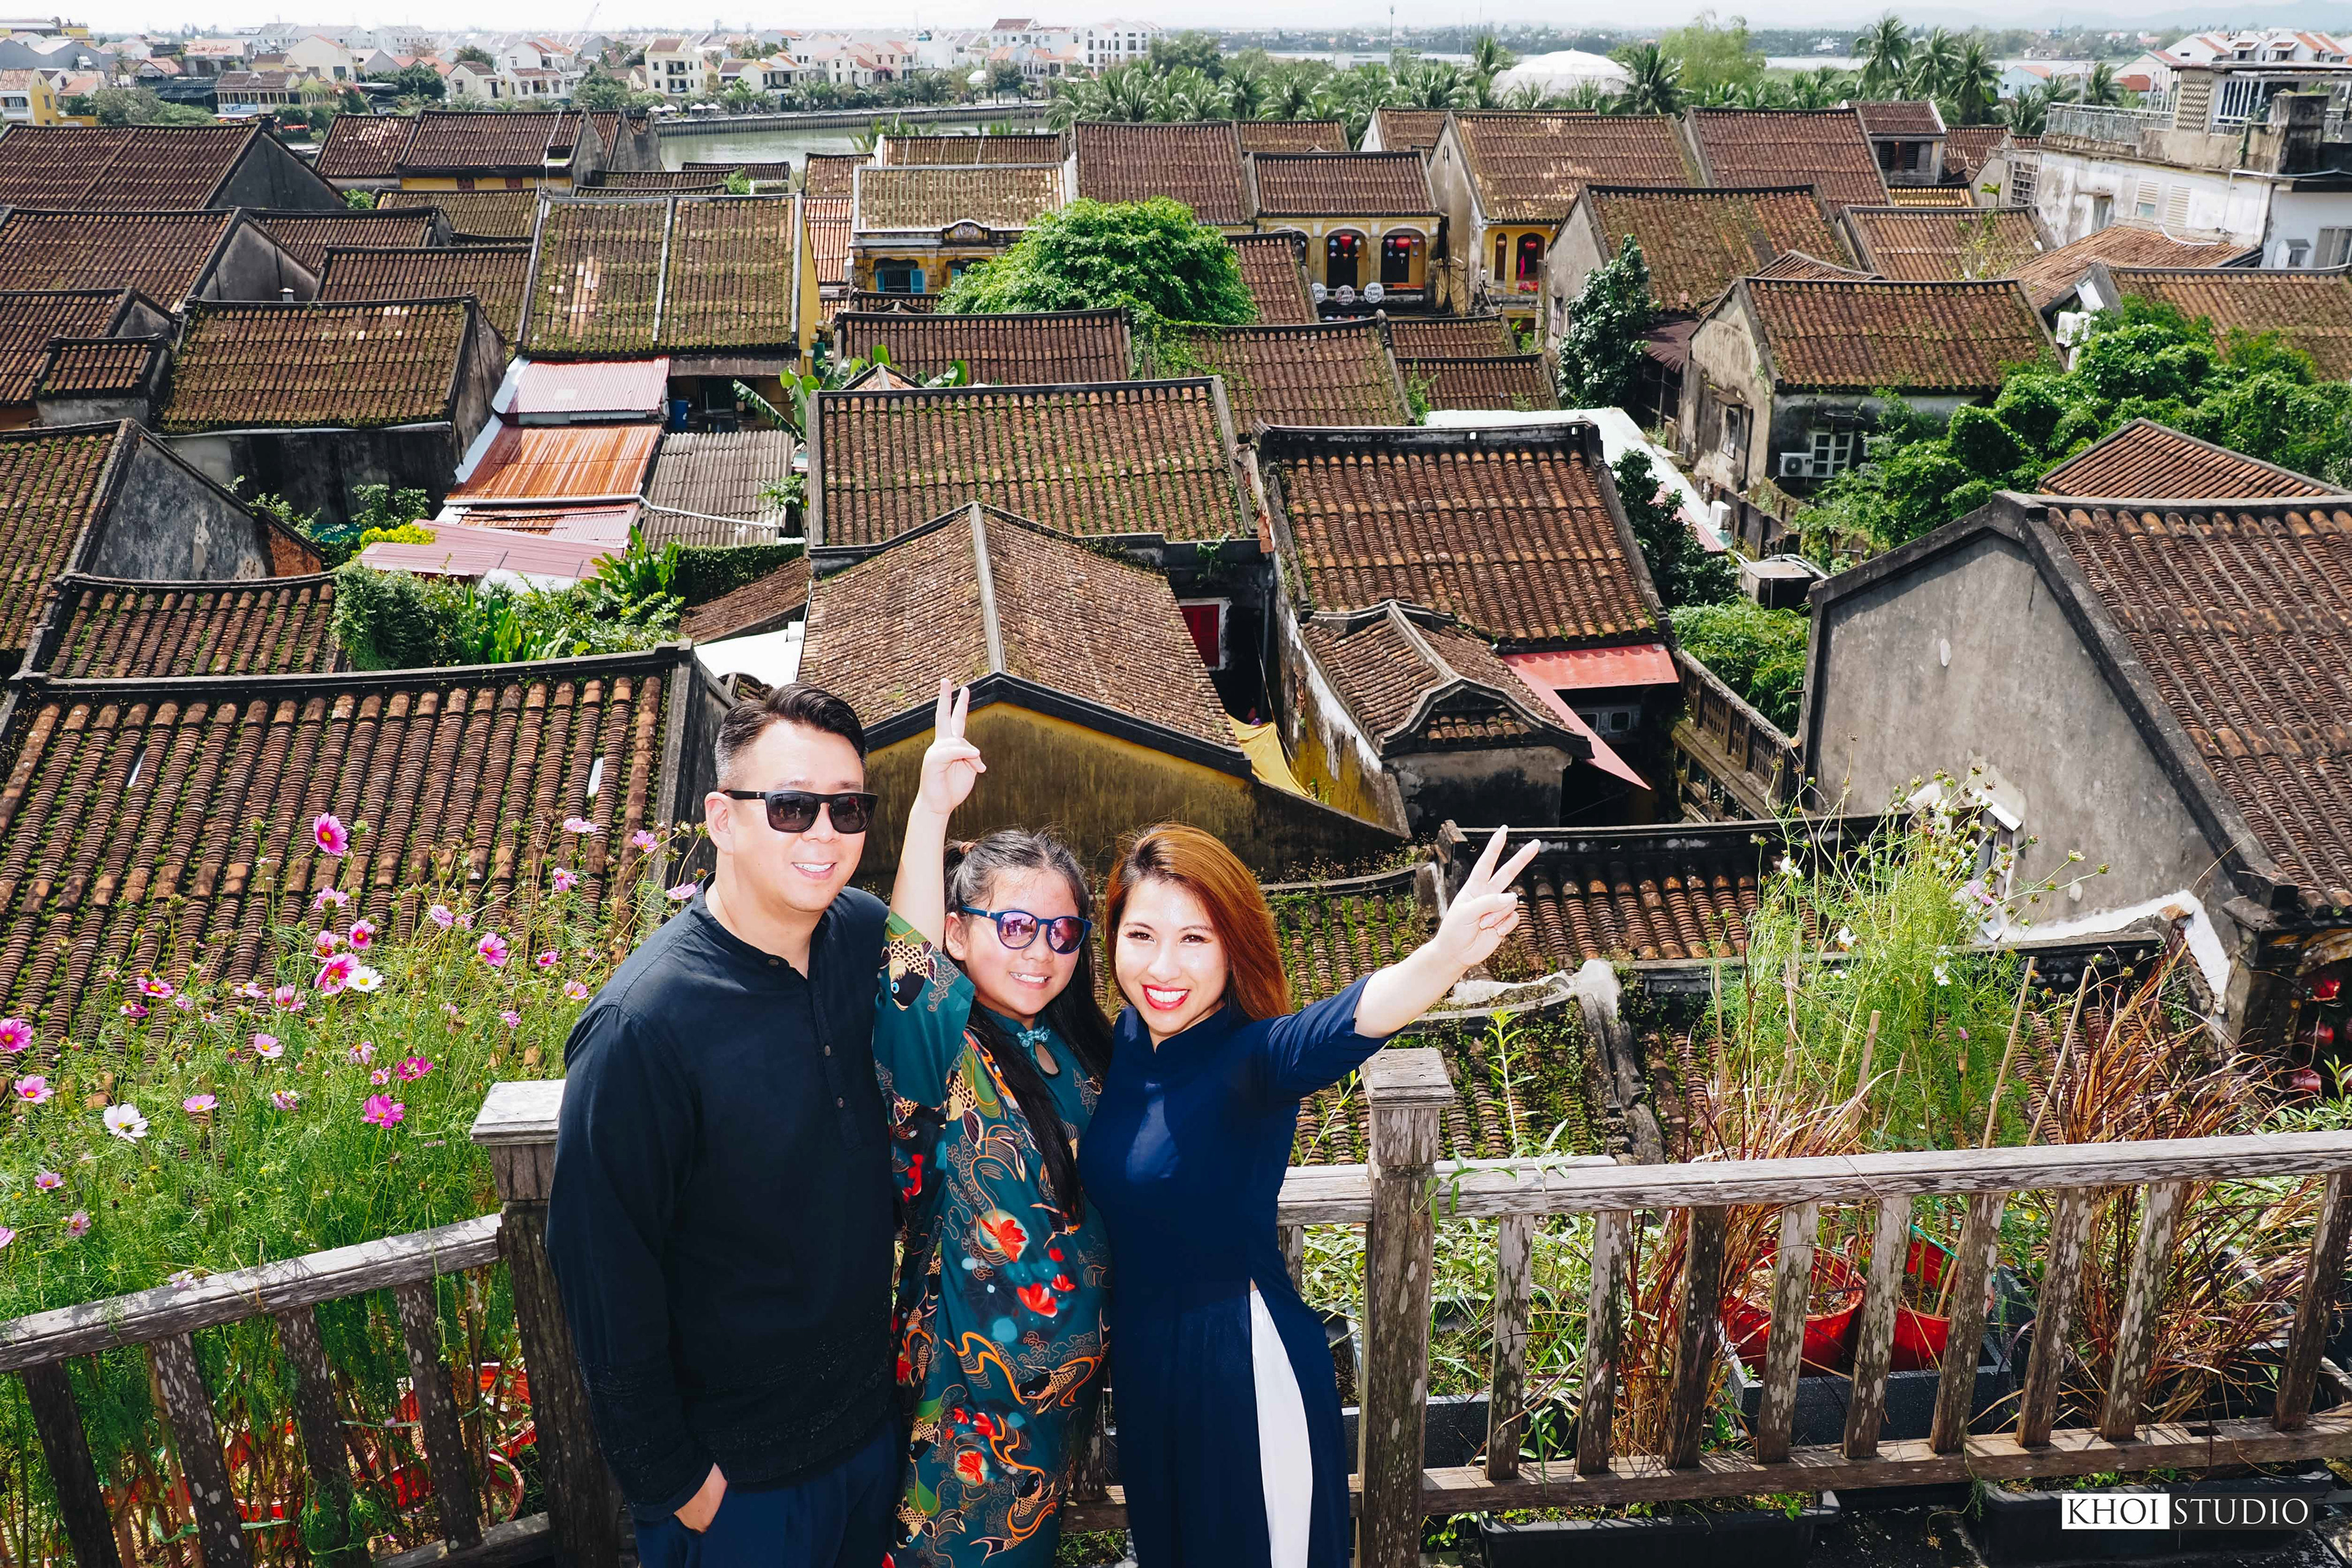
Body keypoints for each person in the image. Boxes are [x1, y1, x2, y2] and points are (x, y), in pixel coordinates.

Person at [1077, 823, 1539, 1568]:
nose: (1165, 966)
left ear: (1233, 945)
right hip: (1146, 1372)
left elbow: (1352, 1018)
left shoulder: (1253, 1057)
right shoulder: (1127, 1041)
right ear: (1113, 940)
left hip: (1239, 1365)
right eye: (1142, 935)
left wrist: (1444, 955)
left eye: (1196, 939)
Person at [547, 682, 900, 1568]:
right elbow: (601, 1267)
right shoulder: (643, 1027)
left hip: (866, 1440)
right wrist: (676, 1484)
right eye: (790, 807)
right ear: (722, 818)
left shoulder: (858, 936)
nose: (825, 834)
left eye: (847, 809)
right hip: (735, 1487)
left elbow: (949, 998)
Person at [872, 681, 1115, 1568]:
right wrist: (932, 807)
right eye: (1013, 926)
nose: (1039, 951)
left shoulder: (1085, 1050)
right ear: (961, 935)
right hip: (963, 1394)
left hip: (1060, 1402)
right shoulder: (943, 1044)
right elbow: (904, 966)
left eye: (1061, 931)